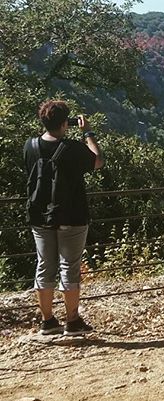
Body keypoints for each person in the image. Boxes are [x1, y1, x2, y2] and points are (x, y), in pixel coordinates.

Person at [24, 100, 104, 335]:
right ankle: (72, 321)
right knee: (69, 267)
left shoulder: (30, 146)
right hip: (72, 214)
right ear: (64, 123)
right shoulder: (71, 148)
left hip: (39, 215)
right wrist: (88, 133)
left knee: (44, 266)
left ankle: (47, 321)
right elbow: (98, 160)